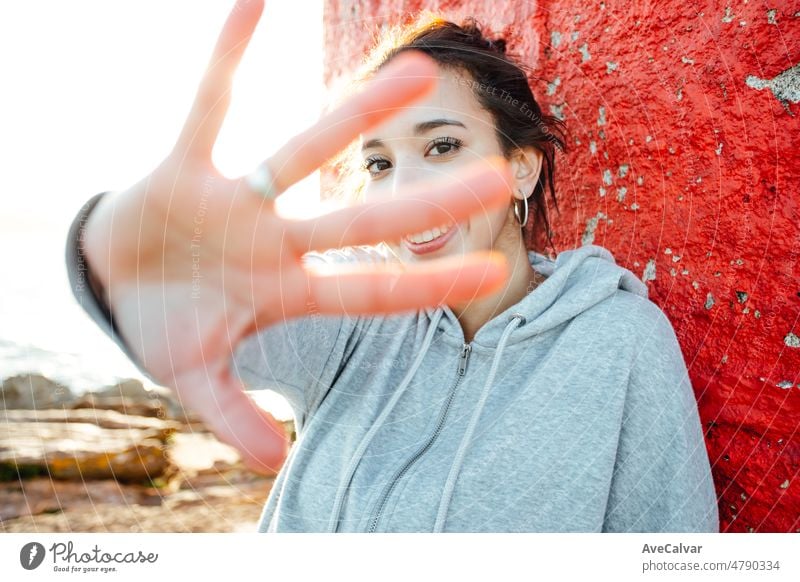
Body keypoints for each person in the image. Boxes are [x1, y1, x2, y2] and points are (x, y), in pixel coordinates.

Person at [65, 0, 719, 533]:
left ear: (522, 166)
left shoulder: (619, 344)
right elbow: (182, 321)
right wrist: (119, 253)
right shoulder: (343, 304)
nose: (405, 187)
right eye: (379, 163)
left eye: (442, 145)